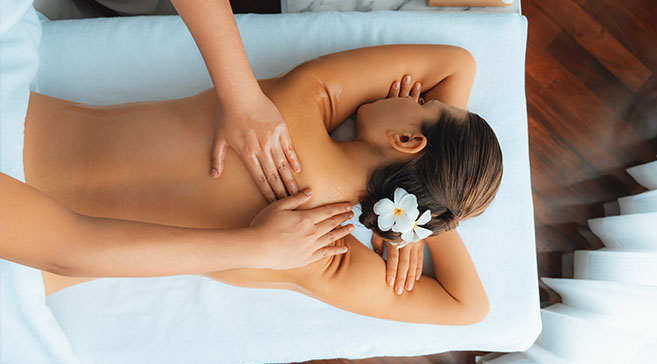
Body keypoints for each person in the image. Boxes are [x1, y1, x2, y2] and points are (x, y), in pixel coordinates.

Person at [20, 43, 503, 325]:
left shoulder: (296, 103)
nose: (419, 93)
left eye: (428, 105)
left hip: (20, 133)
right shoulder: (318, 257)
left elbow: (457, 63)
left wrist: (419, 211)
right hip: (27, 266)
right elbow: (468, 308)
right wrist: (419, 220)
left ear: (406, 138)